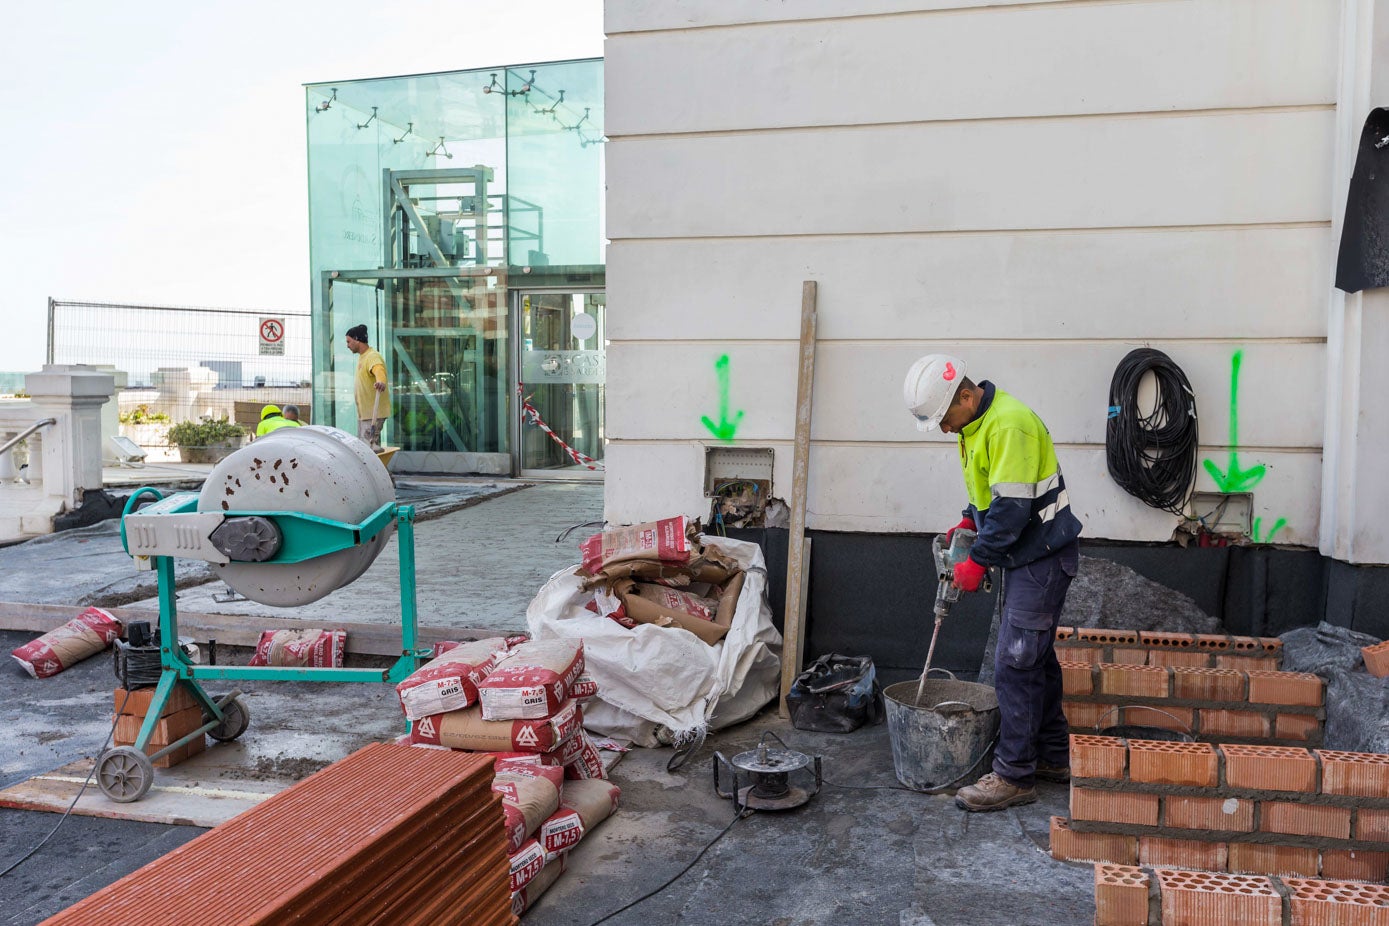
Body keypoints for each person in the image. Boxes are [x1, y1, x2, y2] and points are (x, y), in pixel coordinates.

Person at [903, 353, 1083, 812]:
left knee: (1015, 663)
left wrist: (976, 561)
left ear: (966, 395)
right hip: (1027, 557)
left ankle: (1014, 776)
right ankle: (1053, 757)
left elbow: (1011, 512)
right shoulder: (975, 425)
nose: (944, 429)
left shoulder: (1008, 425)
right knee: (1035, 660)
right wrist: (966, 520)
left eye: (945, 419)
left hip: (1040, 557)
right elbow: (988, 492)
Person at [345, 324, 391, 449]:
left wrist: (381, 381)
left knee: (367, 448)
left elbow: (378, 369)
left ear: (357, 339)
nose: (347, 345)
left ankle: (376, 467)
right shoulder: (363, 357)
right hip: (366, 414)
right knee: (366, 447)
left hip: (373, 413)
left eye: (349, 341)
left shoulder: (372, 356)